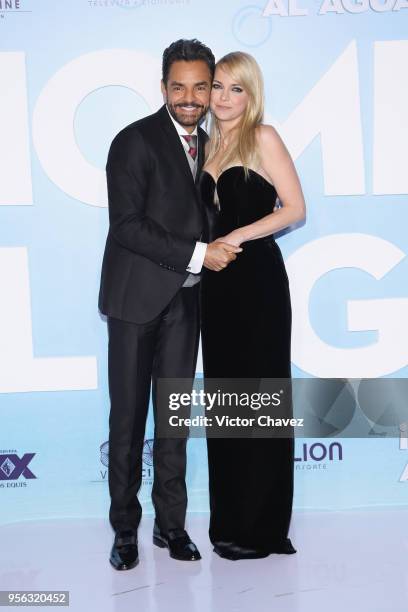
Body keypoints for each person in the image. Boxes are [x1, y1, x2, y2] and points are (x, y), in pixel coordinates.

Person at [98, 39, 241, 570]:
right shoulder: (132, 142)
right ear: (163, 88)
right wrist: (200, 254)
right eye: (178, 86)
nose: (189, 96)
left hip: (186, 306)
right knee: (129, 421)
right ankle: (125, 531)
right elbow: (128, 226)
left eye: (199, 87)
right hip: (136, 302)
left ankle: (171, 527)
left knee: (175, 422)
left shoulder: (215, 145)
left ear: (209, 91)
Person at [200, 51, 306, 560]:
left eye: (235, 89)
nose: (223, 97)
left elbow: (296, 208)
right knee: (226, 404)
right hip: (215, 287)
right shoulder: (201, 146)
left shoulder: (262, 138)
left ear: (251, 94)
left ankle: (261, 528)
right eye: (217, 86)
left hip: (259, 283)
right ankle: (229, 522)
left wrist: (237, 234)